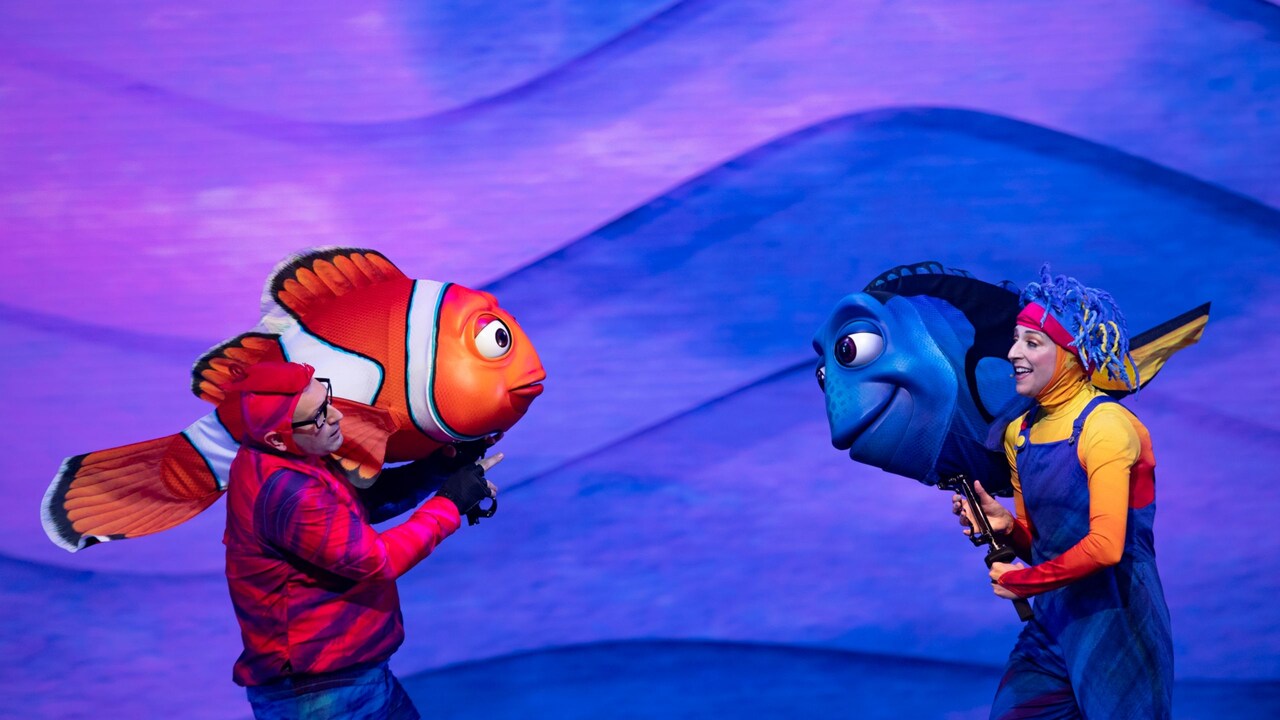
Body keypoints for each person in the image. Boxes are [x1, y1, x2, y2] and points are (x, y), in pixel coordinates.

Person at [221, 361, 500, 720]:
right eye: (319, 416)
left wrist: (442, 465)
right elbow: (375, 560)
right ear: (277, 437)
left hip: (345, 677)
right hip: (321, 694)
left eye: (327, 400)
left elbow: (356, 507)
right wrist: (448, 505)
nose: (336, 415)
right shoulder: (288, 490)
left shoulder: (288, 458)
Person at [952, 267, 1173, 719]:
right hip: (1053, 626)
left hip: (1119, 627)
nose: (1013, 352)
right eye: (1015, 339)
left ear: (1070, 355)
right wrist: (1007, 528)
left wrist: (1020, 582)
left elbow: (1106, 548)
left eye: (1032, 343)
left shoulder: (1105, 427)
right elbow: (1045, 548)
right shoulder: (1020, 433)